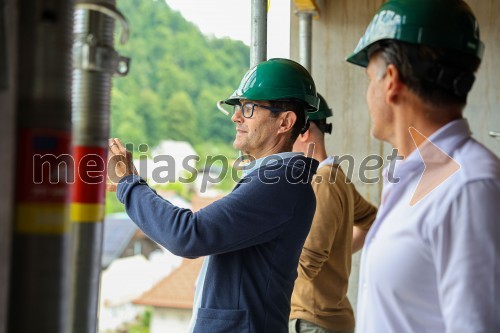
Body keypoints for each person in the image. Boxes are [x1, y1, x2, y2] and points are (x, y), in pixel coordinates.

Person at [107, 58, 322, 333]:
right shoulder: (275, 179)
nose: (236, 117)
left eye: (248, 108)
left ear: (285, 122)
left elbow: (189, 235)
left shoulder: (280, 182)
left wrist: (129, 184)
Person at [346, 0, 500, 332]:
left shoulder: (470, 186)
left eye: (369, 78)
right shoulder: (417, 174)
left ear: (390, 80)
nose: (367, 93)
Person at [289, 94, 377, 333]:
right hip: (322, 320)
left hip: (313, 320)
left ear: (304, 131)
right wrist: (338, 250)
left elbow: (306, 262)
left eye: (286, 131)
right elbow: (372, 221)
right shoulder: (336, 177)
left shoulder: (324, 180)